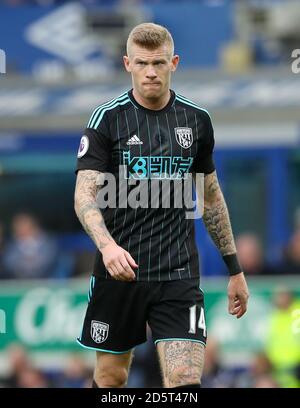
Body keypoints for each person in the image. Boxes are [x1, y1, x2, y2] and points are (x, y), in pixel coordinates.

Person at [74, 22, 249, 388]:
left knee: (185, 379)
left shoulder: (197, 121)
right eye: (141, 63)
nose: (150, 72)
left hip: (178, 273)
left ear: (175, 63)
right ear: (126, 64)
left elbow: (211, 197)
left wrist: (235, 268)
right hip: (119, 272)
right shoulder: (106, 119)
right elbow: (84, 196)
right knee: (110, 378)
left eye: (159, 62)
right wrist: (107, 247)